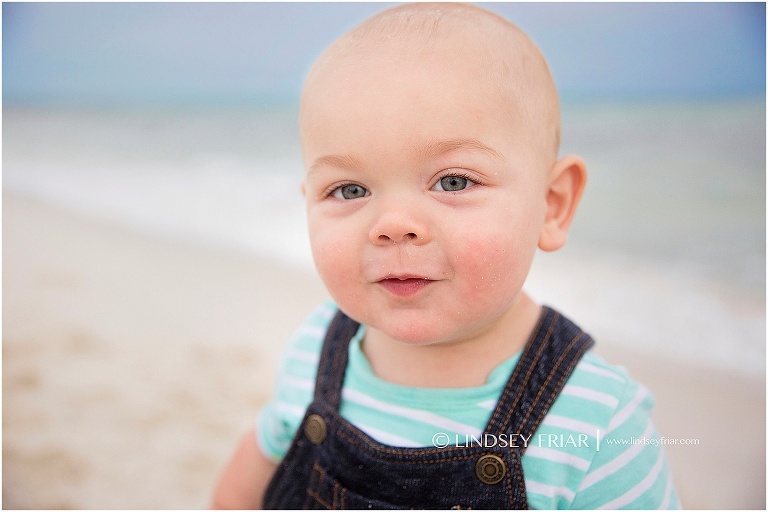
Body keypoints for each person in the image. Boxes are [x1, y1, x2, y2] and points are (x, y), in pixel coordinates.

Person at [212, 3, 680, 509]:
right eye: (349, 190)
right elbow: (245, 485)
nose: (393, 226)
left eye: (453, 182)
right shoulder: (316, 353)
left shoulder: (594, 424)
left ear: (552, 204)